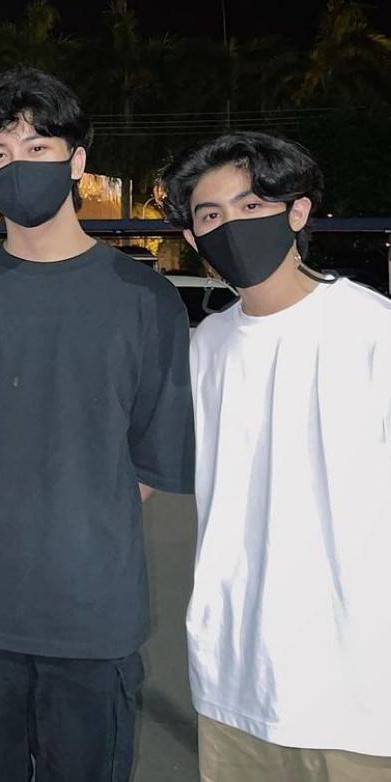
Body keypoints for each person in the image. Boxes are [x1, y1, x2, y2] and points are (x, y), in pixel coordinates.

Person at [0, 67, 196, 781]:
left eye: (37, 148)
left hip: (94, 620)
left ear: (77, 161)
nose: (17, 165)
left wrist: (76, 519)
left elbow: (148, 465)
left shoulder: (145, 298)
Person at [160, 132, 391, 782]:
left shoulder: (372, 331)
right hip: (234, 682)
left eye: (252, 205)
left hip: (358, 694)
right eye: (210, 215)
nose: (231, 225)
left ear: (298, 212)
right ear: (194, 238)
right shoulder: (207, 345)